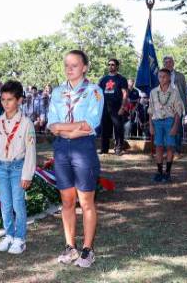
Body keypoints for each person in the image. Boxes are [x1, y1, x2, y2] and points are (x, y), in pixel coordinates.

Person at [48, 50, 104, 268]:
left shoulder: (94, 91)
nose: (69, 69)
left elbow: (90, 124)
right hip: (62, 148)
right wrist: (71, 129)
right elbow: (52, 124)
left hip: (83, 148)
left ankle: (88, 250)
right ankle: (70, 247)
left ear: (84, 67)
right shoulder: (57, 92)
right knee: (67, 201)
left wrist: (66, 129)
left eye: (74, 65)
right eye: (67, 65)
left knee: (86, 201)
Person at [0, 80, 37, 255]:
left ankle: (20, 238)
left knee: (17, 204)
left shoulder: (26, 123)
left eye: (10, 100)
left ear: (19, 100)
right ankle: (9, 234)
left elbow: (30, 151)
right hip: (0, 166)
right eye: (3, 100)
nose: (6, 104)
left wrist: (27, 175)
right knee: (5, 204)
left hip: (17, 167)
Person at [148, 69, 185, 182]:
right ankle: (159, 171)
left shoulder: (174, 92)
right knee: (158, 146)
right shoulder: (153, 92)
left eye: (164, 76)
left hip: (170, 121)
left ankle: (167, 172)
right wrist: (151, 125)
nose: (162, 78)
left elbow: (178, 111)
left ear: (169, 78)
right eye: (160, 76)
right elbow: (150, 110)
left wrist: (175, 126)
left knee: (170, 146)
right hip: (157, 121)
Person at [98, 58, 129, 156]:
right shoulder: (103, 79)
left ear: (117, 66)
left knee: (118, 129)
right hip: (105, 107)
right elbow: (97, 92)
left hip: (117, 107)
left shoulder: (121, 79)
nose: (110, 66)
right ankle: (104, 149)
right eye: (109, 64)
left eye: (113, 64)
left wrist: (122, 107)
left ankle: (118, 148)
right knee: (105, 129)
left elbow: (125, 93)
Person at [163, 56, 187, 154]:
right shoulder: (160, 75)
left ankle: (177, 150)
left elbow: (185, 91)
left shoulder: (180, 76)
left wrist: (186, 107)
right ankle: (166, 150)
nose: (168, 64)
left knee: (177, 129)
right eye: (166, 62)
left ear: (173, 63)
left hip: (178, 104)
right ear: (163, 64)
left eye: (170, 62)